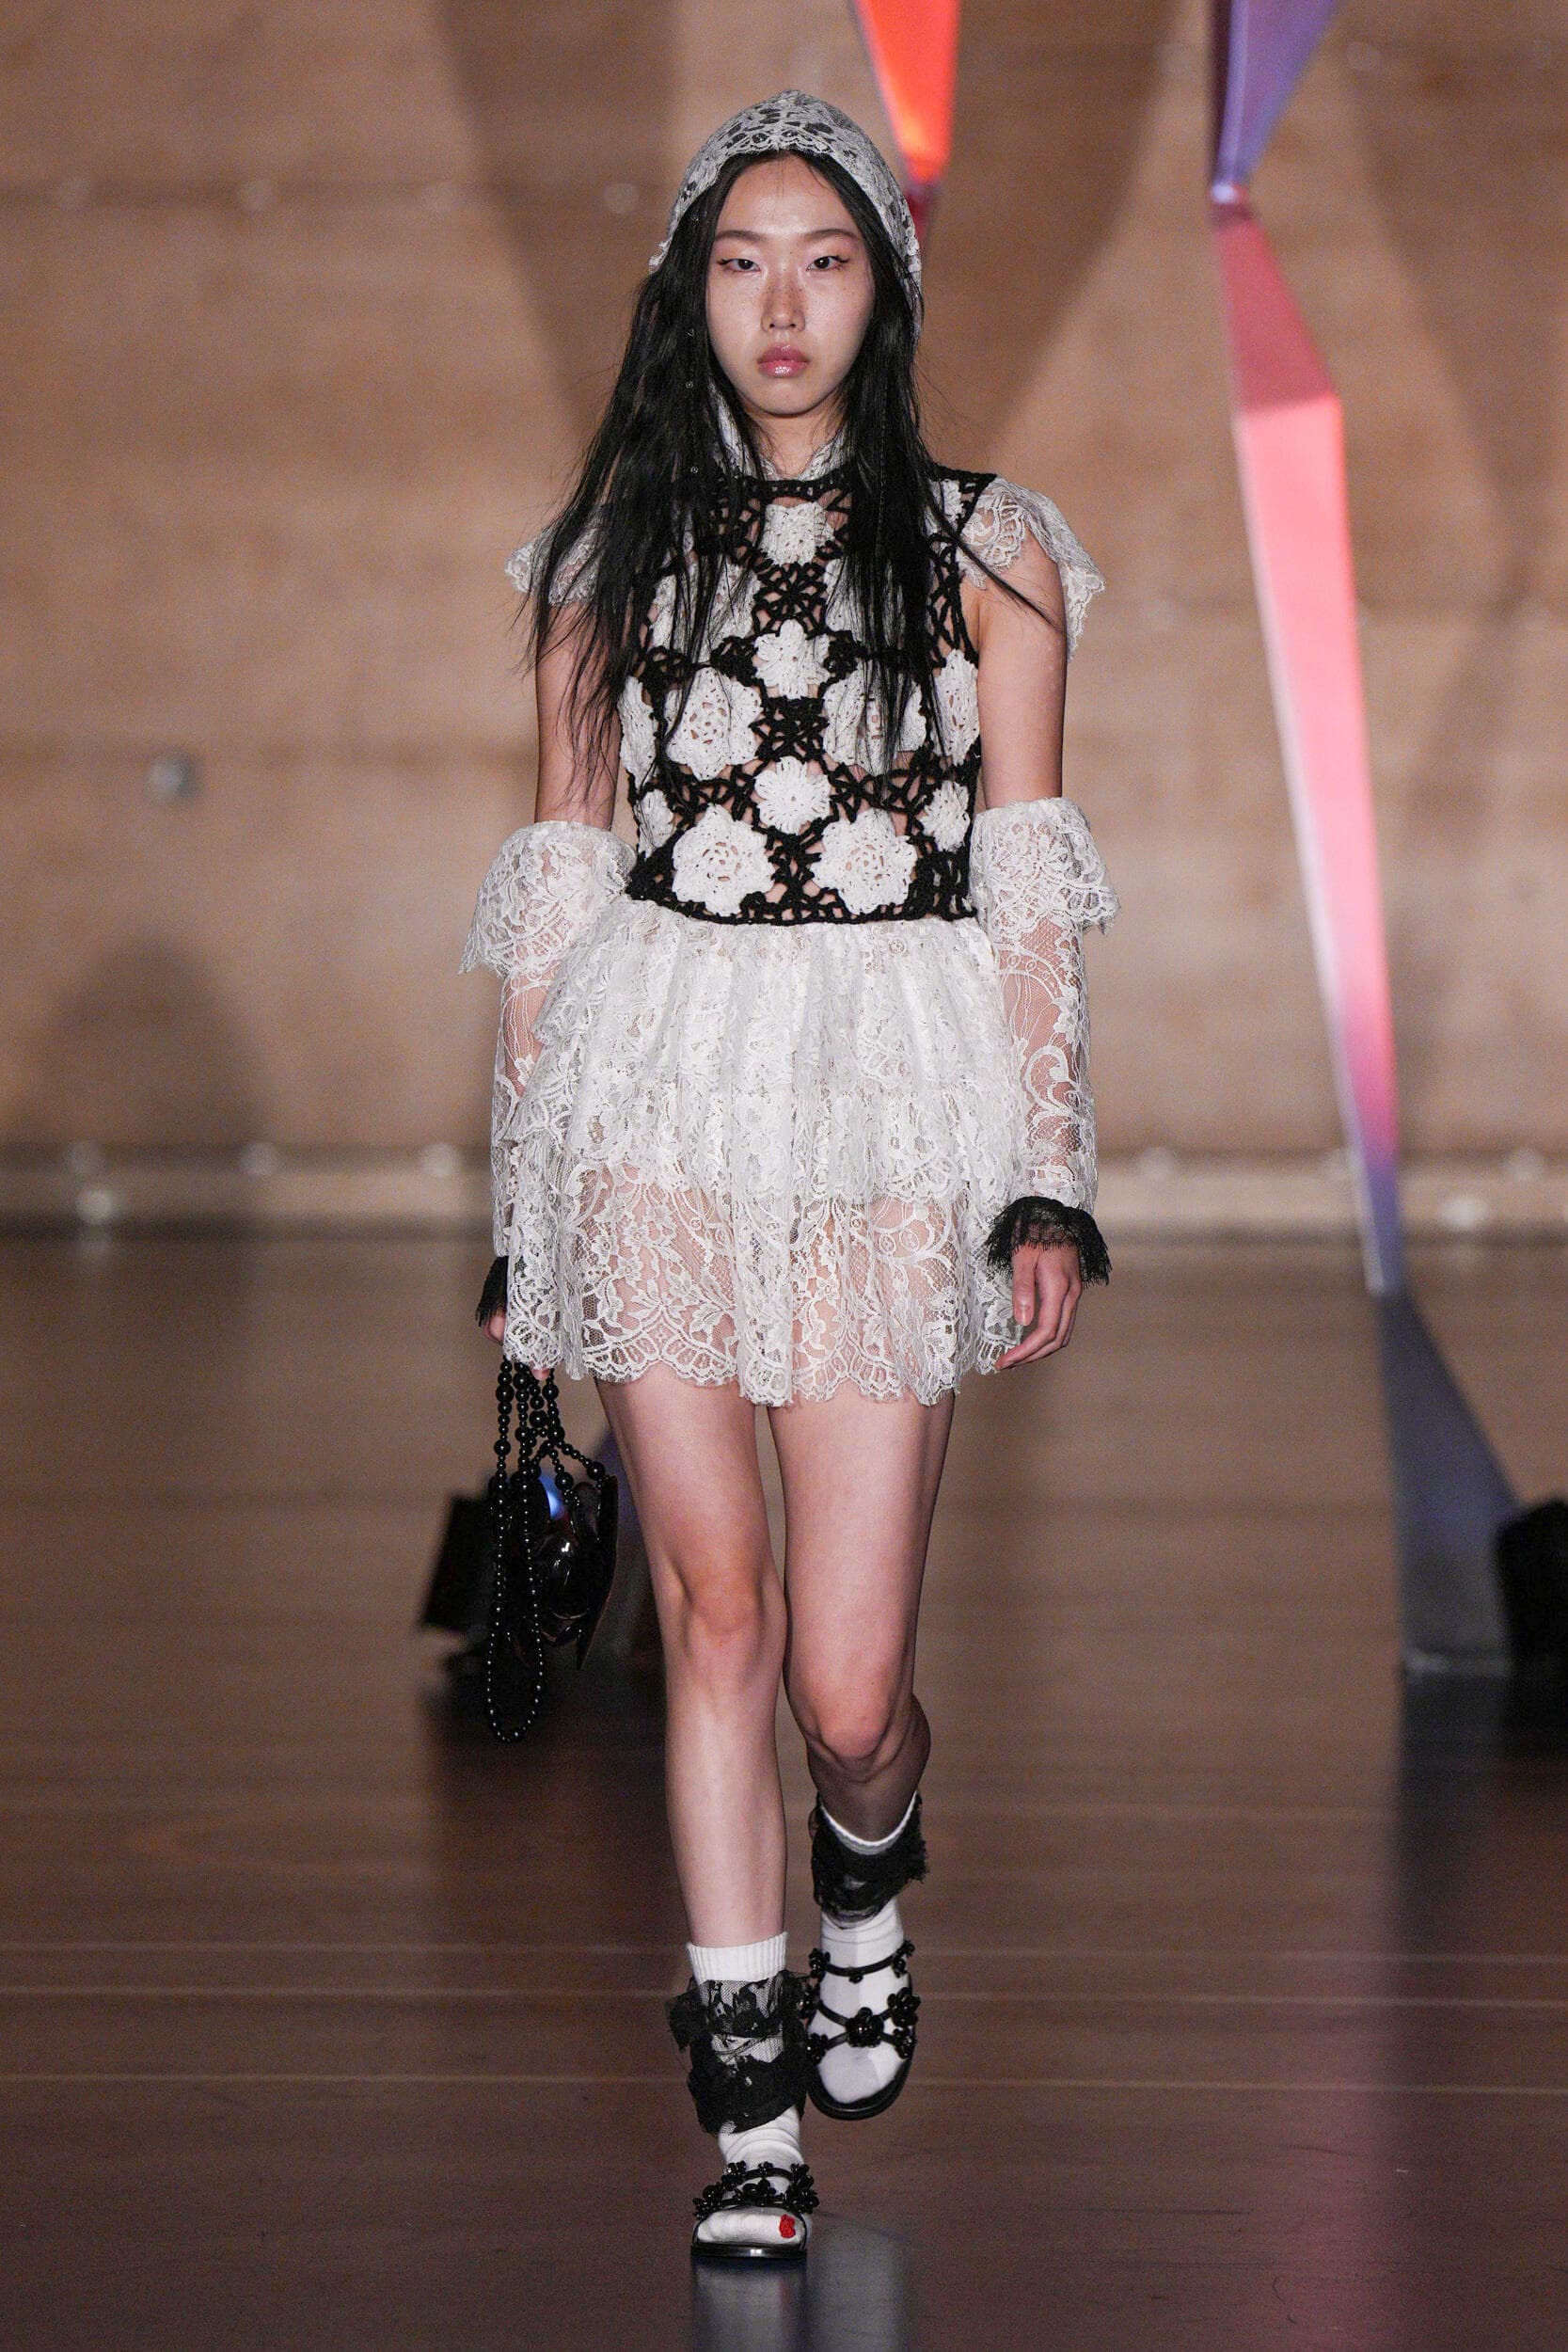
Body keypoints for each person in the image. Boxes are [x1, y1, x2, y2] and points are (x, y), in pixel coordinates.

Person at [460, 89, 1118, 2262]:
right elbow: (560, 884)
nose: (779, 303)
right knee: (712, 1607)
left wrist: (1042, 1176)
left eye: (823, 260)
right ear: (689, 293)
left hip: (885, 1101)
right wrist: (525, 1211)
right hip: (658, 1079)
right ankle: (751, 2113)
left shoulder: (991, 553)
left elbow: (1028, 883)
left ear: (882, 295)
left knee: (847, 1683)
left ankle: (869, 1851)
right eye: (740, 261)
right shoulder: (607, 557)